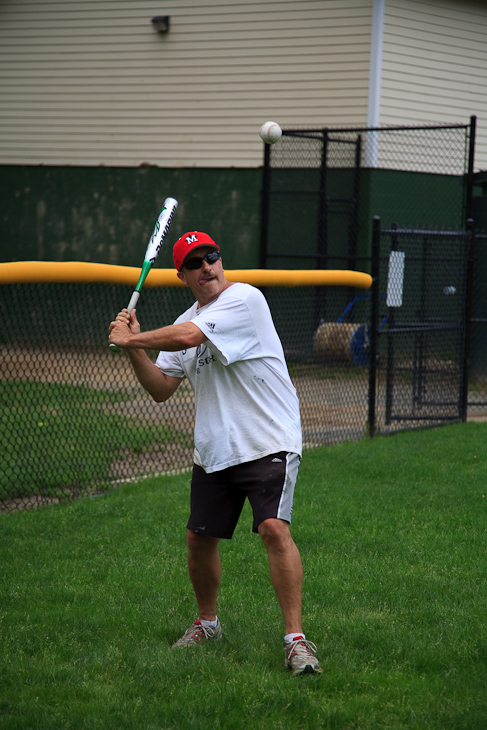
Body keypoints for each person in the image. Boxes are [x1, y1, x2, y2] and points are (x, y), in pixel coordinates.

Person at [108, 231, 322, 676]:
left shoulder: (244, 299)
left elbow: (188, 338)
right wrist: (133, 349)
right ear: (182, 274)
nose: (207, 267)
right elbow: (161, 389)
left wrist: (135, 338)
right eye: (195, 262)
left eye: (212, 257)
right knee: (198, 539)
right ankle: (207, 624)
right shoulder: (187, 316)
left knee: (272, 530)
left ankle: (296, 641)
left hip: (267, 441)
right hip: (216, 450)